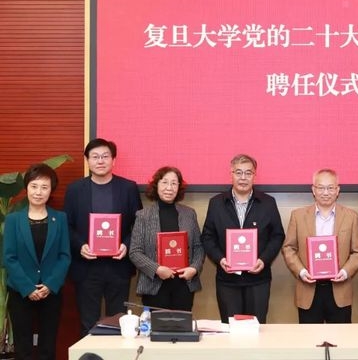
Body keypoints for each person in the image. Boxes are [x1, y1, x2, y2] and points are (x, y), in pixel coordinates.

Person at [64, 138, 142, 336]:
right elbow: (67, 225)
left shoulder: (128, 188)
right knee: (88, 324)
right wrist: (80, 246)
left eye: (105, 156)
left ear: (113, 160)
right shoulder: (74, 190)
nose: (100, 161)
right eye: (95, 157)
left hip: (118, 266)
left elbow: (138, 224)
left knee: (118, 324)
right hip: (86, 267)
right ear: (87, 161)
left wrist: (126, 245)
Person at [201, 154, 285, 323]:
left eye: (248, 173)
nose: (243, 178)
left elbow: (277, 235)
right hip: (227, 280)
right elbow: (207, 237)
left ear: (254, 175)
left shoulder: (268, 202)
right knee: (231, 329)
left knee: (256, 328)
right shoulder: (216, 203)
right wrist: (220, 259)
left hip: (258, 280)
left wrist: (263, 260)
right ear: (231, 174)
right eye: (238, 172)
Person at [3, 164, 71, 360]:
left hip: (50, 290)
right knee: (23, 346)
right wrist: (27, 287)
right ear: (27, 188)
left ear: (51, 190)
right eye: (34, 186)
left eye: (44, 187)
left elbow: (64, 256)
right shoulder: (13, 220)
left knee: (48, 345)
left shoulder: (60, 218)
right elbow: (9, 257)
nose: (38, 192)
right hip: (20, 291)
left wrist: (50, 284)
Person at [282, 169, 358, 323]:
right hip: (308, 289)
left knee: (341, 337)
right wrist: (301, 272)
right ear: (313, 190)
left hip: (340, 290)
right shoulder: (298, 216)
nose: (326, 192)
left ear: (337, 190)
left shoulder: (351, 216)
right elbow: (289, 248)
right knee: (309, 337)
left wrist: (345, 272)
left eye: (330, 188)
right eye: (321, 188)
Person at [129, 166, 204, 311]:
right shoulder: (143, 215)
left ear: (179, 187)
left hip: (184, 285)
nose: (169, 188)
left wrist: (194, 268)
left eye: (174, 183)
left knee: (182, 324)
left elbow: (198, 246)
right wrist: (157, 269)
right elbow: (135, 252)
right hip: (154, 284)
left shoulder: (189, 214)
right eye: (164, 182)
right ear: (156, 185)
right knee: (156, 325)